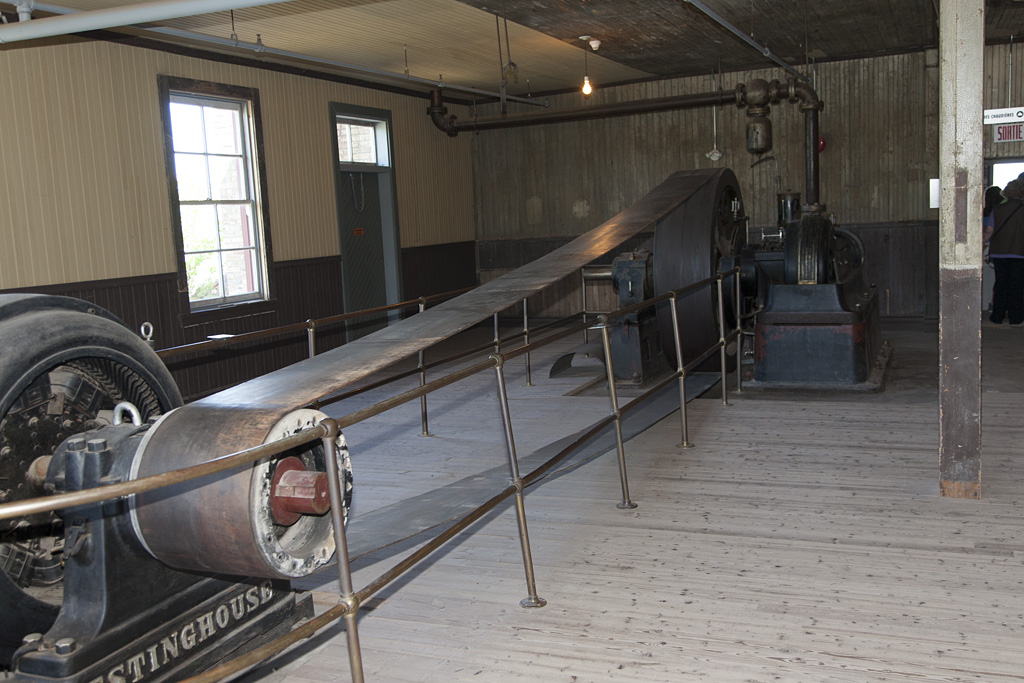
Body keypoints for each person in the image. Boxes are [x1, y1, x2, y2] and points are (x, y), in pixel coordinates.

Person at [988, 174, 1024, 325]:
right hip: (1019, 252)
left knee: (1001, 284)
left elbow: (989, 231)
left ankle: (997, 316)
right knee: (1017, 286)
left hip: (998, 252)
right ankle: (1015, 318)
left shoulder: (997, 209)